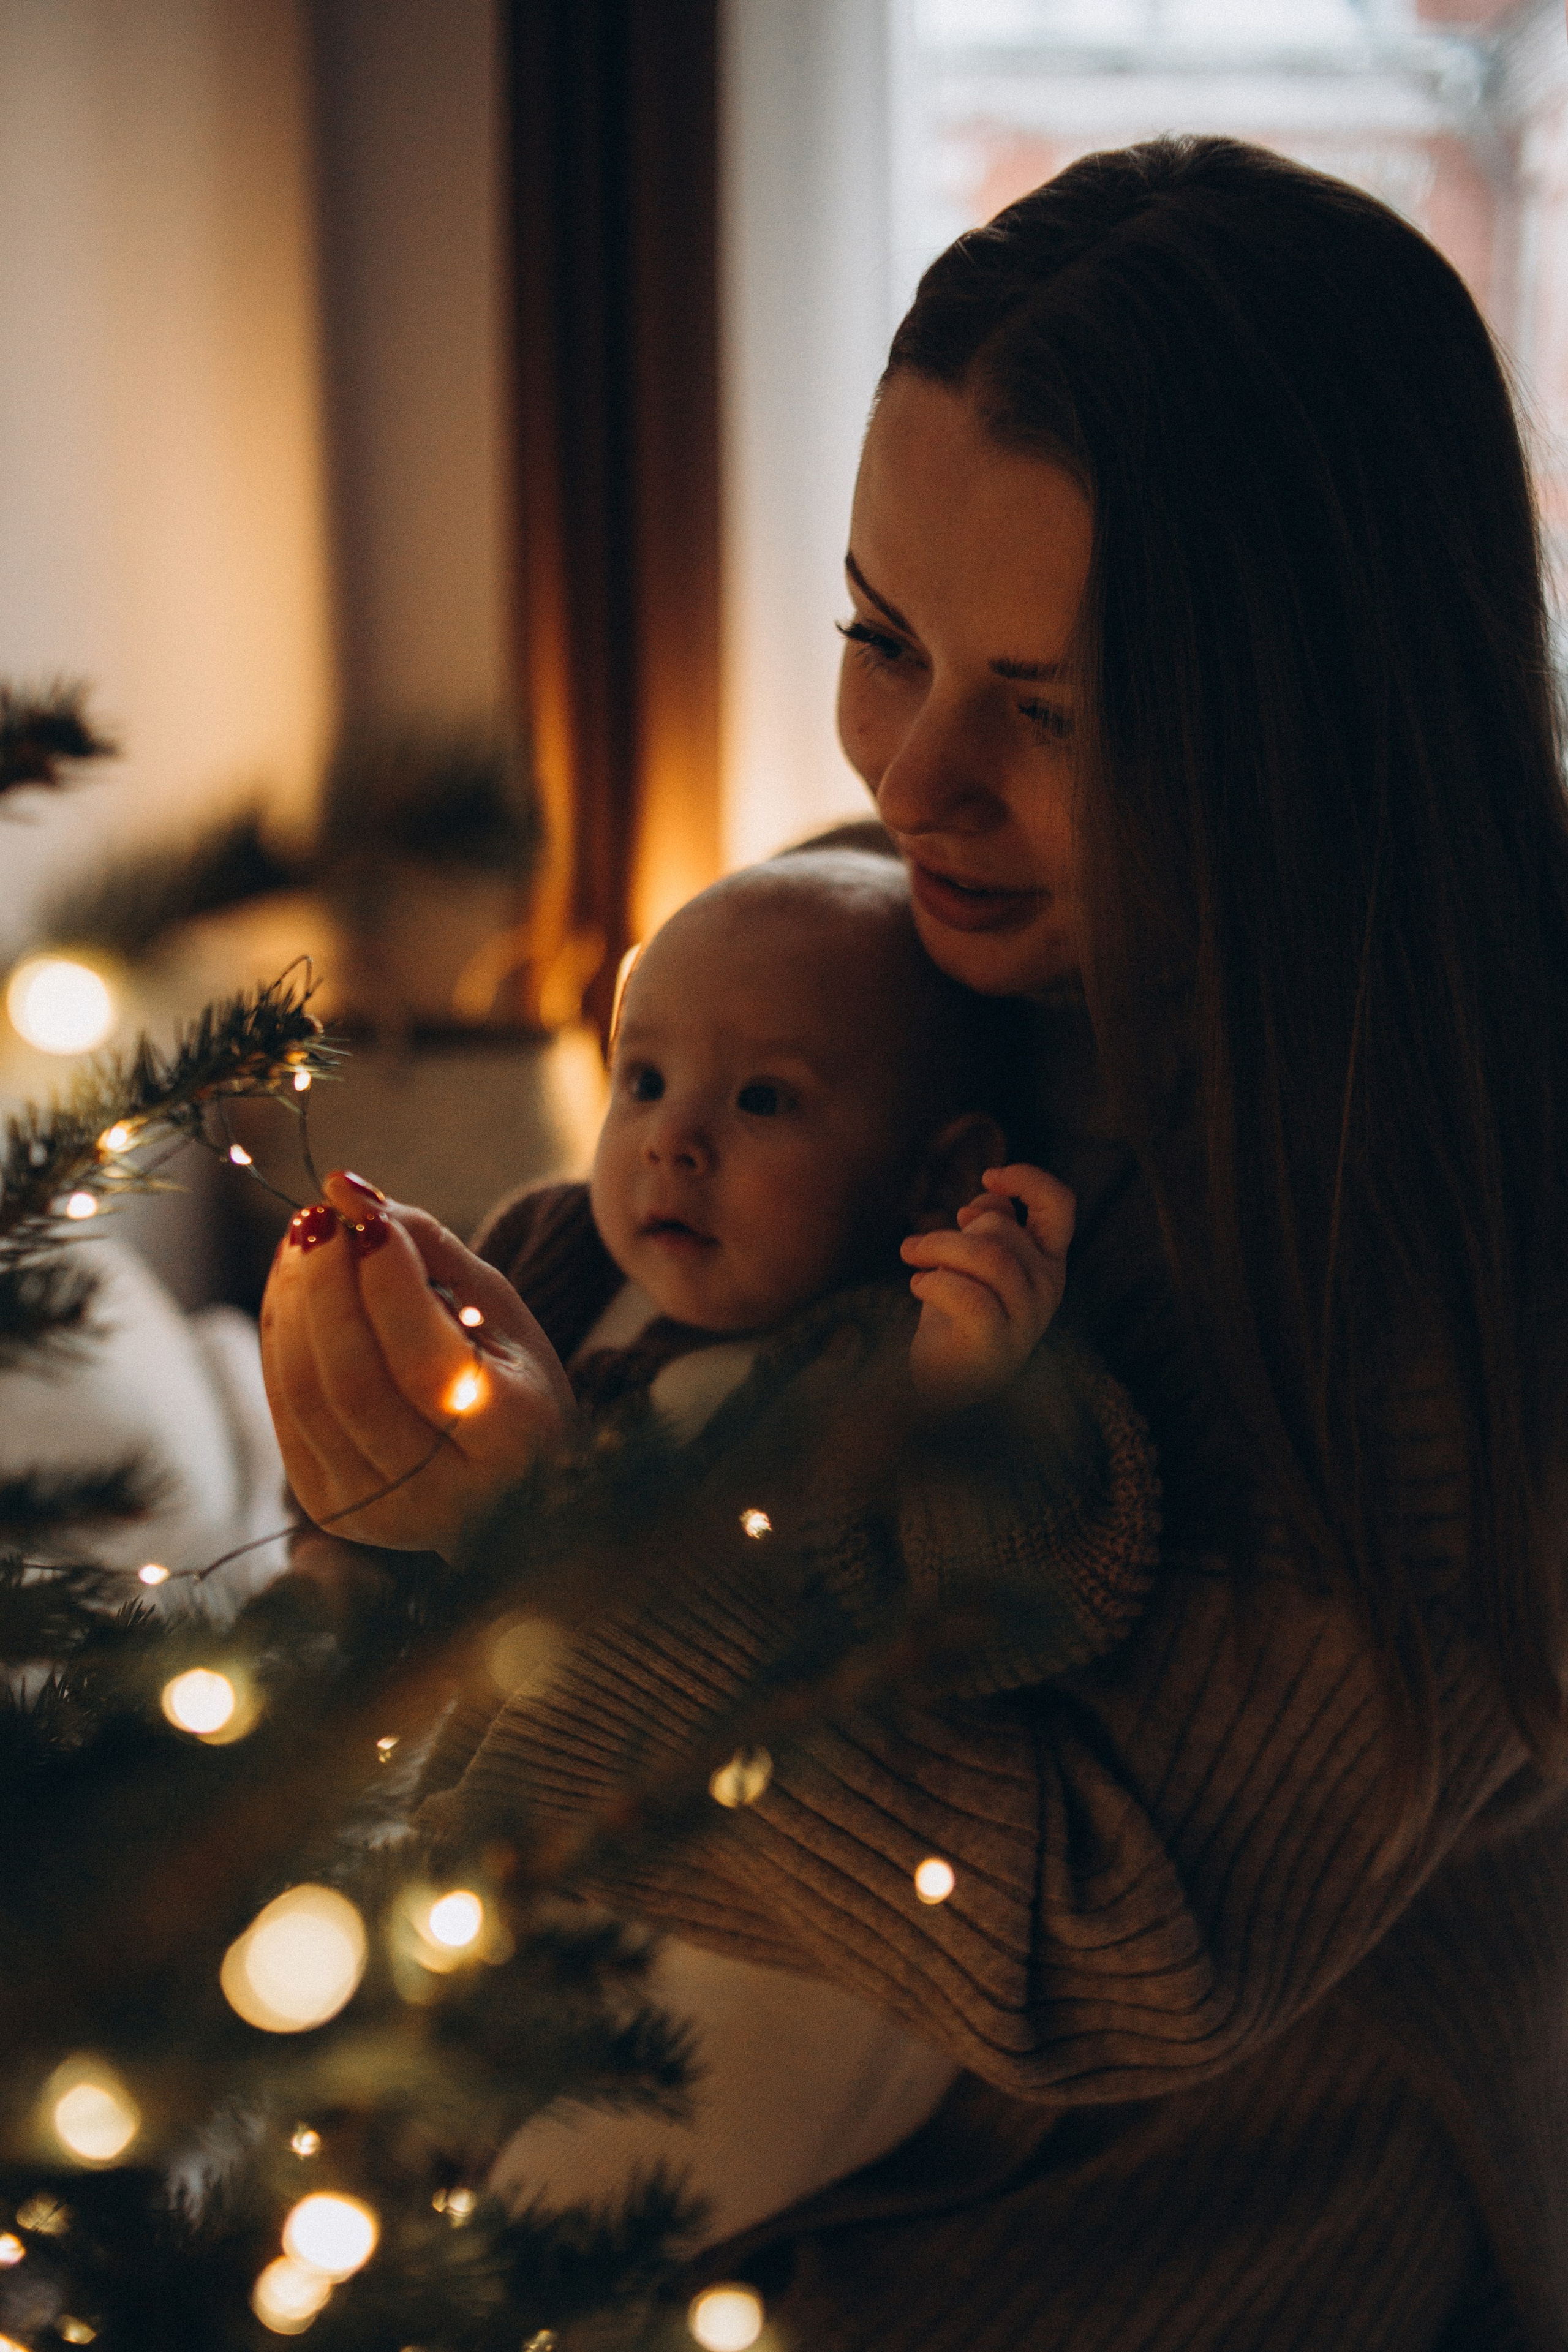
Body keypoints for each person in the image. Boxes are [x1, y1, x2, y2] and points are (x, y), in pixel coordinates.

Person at [267, 132, 1568, 2348]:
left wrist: (557, 1566)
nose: (912, 781)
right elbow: (612, 1352)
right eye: (882, 638)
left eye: (1054, 711)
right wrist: (395, 1456)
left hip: (1179, 2240)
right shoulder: (905, 939)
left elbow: (1106, 1945)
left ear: (1311, 726)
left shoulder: (1450, 1242)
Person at [263, 846, 1159, 2250]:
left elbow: (1028, 1611)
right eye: (641, 1080)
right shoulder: (558, 1259)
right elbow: (383, 1502)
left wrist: (973, 1403)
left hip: (774, 1917)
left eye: (762, 1100)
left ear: (938, 1171)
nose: (672, 1142)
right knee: (341, 2055)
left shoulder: (900, 1359)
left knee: (575, 2196)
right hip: (507, 1833)